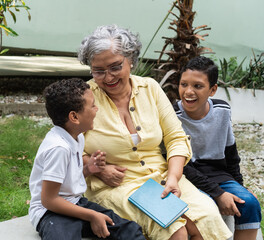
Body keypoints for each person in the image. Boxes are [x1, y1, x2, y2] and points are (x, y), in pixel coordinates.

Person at [77, 25, 233, 240]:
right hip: (117, 185)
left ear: (130, 60)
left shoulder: (150, 88)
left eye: (115, 67)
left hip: (161, 177)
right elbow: (67, 150)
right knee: (174, 229)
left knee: (206, 219)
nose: (108, 77)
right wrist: (98, 169)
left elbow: (176, 138)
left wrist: (173, 177)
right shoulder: (83, 98)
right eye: (98, 71)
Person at [28, 78, 146, 240]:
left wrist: (88, 170)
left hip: (75, 203)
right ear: (74, 117)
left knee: (129, 231)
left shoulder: (77, 137)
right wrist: (91, 215)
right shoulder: (59, 148)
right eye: (92, 105)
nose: (96, 109)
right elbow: (49, 200)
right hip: (51, 212)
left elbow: (67, 183)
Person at [173, 56, 262, 240]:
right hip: (186, 176)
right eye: (184, 84)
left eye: (197, 86)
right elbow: (180, 166)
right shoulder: (172, 115)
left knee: (249, 203)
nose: (188, 92)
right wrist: (218, 194)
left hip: (218, 174)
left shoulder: (222, 110)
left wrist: (239, 187)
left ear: (212, 90)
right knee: (209, 207)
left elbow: (231, 155)